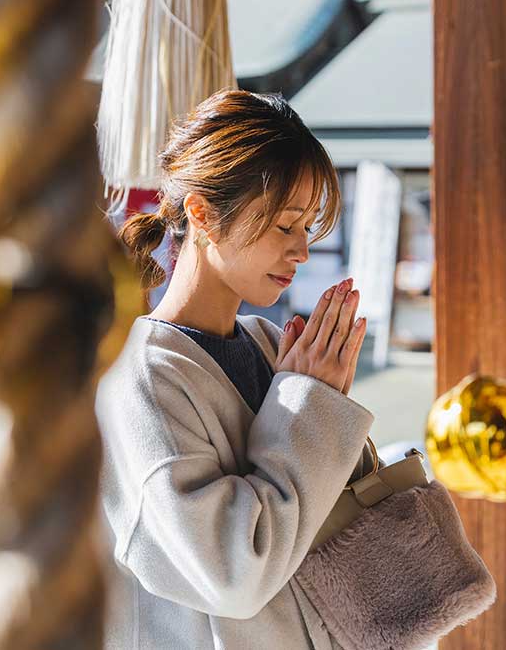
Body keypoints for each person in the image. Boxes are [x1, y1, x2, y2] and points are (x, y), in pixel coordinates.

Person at [97, 89, 373, 649]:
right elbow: (233, 575)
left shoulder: (273, 347)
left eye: (306, 227)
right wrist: (314, 409)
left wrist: (327, 404)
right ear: (202, 213)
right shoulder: (143, 381)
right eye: (283, 226)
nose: (302, 250)